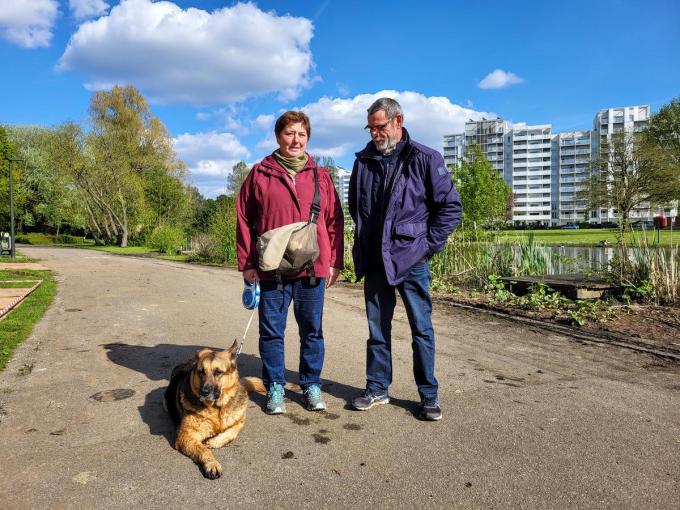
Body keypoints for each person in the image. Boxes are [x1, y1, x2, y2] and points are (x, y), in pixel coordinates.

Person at [348, 98, 462, 421]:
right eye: (370, 128)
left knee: (421, 329)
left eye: (380, 127)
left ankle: (428, 395)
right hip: (374, 261)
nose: (375, 134)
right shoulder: (363, 162)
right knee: (377, 330)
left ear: (398, 122)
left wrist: (428, 246)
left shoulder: (425, 159)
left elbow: (451, 207)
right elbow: (356, 207)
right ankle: (377, 387)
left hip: (412, 260)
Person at [237, 111, 344, 415]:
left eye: (301, 134)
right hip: (272, 268)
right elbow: (244, 220)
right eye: (289, 133)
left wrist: (335, 261)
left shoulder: (321, 176)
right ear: (278, 136)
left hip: (313, 267)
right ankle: (275, 386)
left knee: (312, 330)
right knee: (271, 331)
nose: (295, 140)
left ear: (307, 138)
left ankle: (311, 384)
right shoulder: (259, 174)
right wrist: (247, 262)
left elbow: (334, 219)